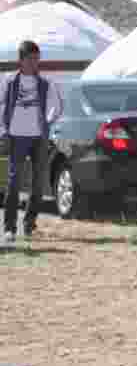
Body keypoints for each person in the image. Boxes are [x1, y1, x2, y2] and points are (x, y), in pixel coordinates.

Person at [3, 40, 64, 244]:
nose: (35, 63)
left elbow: (56, 105)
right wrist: (4, 129)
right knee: (14, 182)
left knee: (38, 184)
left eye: (37, 59)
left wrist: (47, 122)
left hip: (38, 138)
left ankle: (29, 226)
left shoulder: (45, 83)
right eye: (31, 59)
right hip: (16, 136)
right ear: (20, 60)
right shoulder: (9, 82)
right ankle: (9, 229)